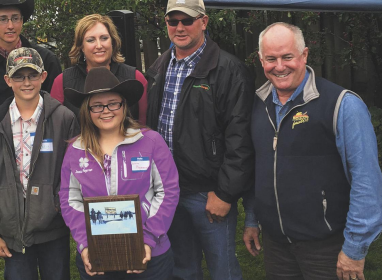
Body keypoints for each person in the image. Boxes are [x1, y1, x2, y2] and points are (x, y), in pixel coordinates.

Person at [243, 22, 382, 280]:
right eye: (271, 59)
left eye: (287, 57)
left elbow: (367, 181)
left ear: (304, 55)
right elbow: (257, 170)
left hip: (327, 246)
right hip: (276, 246)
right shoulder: (256, 105)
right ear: (261, 60)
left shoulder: (343, 105)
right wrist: (252, 219)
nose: (279, 66)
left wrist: (354, 248)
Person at [144, 0, 255, 279]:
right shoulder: (159, 67)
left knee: (223, 269)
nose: (179, 27)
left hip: (209, 194)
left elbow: (240, 138)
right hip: (168, 191)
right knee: (182, 269)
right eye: (173, 21)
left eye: (187, 20)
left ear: (204, 22)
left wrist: (226, 193)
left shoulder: (229, 69)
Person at [60, 67, 179, 279]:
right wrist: (86, 244)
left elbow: (168, 191)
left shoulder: (150, 142)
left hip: (149, 253)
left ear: (124, 106)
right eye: (97, 105)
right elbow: (70, 200)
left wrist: (148, 238)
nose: (106, 110)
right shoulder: (75, 150)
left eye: (113, 103)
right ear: (87, 111)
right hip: (97, 256)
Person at [0, 47, 79, 280]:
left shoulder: (64, 118)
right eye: (18, 76)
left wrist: (58, 207)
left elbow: (73, 175)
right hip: (12, 231)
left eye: (32, 75)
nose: (26, 82)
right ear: (7, 80)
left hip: (52, 228)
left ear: (43, 77)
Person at [49, 14, 148, 125]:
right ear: (81, 46)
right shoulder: (62, 81)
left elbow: (144, 125)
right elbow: (56, 127)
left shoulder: (135, 77)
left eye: (104, 38)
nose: (99, 45)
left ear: (113, 41)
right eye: (91, 40)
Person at [0, 0, 62, 108]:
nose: (10, 26)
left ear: (22, 20)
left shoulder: (46, 60)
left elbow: (56, 108)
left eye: (15, 18)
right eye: (3, 19)